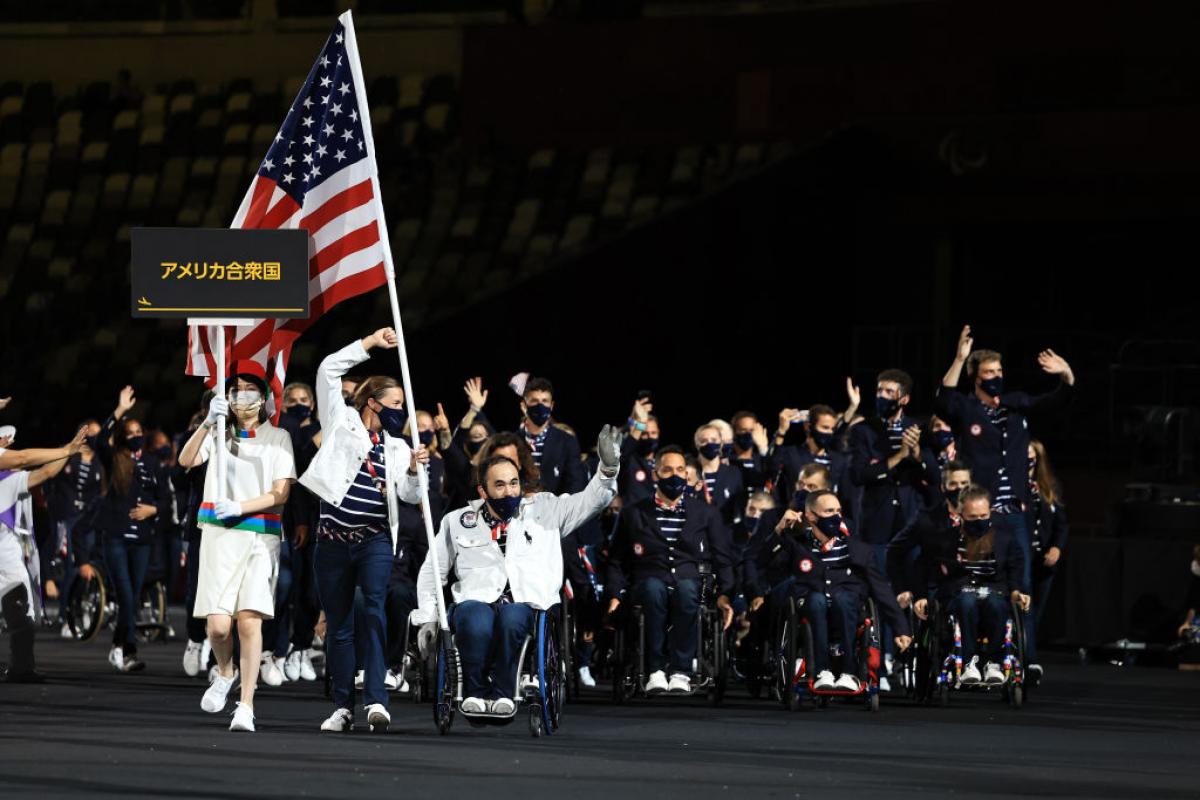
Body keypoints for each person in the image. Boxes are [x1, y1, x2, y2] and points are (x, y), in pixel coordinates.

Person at [412, 425, 622, 717]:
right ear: (483, 490)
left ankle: (502, 693)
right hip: (476, 598)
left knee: (511, 619)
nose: (509, 491)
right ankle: (474, 693)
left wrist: (608, 469)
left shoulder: (546, 509)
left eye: (513, 483)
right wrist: (430, 616)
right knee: (474, 619)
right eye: (499, 485)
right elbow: (432, 570)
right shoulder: (457, 520)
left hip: (525, 601)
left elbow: (591, 501)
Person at [296, 328, 428, 734]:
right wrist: (369, 343)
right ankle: (342, 707)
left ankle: (376, 701)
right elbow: (327, 368)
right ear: (372, 402)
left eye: (402, 406)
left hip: (374, 539)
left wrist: (411, 469)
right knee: (339, 625)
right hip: (333, 541)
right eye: (394, 404)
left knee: (373, 612)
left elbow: (409, 495)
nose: (399, 412)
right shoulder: (342, 420)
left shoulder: (399, 446)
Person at [178, 362, 296, 732]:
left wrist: (242, 506)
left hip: (260, 536)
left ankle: (246, 704)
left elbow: (281, 492)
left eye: (248, 389)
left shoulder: (278, 437)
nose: (240, 395)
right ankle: (224, 672)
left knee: (248, 622)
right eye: (235, 390)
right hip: (218, 536)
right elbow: (185, 461)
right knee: (217, 628)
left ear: (262, 399)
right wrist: (206, 424)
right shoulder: (217, 434)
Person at [934, 324, 1074, 599]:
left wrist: (1066, 375)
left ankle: (1022, 642)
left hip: (1016, 514)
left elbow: (1054, 402)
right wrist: (960, 359)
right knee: (979, 584)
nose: (996, 377)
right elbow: (943, 401)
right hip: (982, 514)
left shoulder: (1015, 404)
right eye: (989, 372)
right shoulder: (966, 408)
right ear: (976, 377)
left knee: (1021, 588)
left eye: (999, 371)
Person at [746, 489, 911, 692]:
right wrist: (779, 530)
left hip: (848, 607)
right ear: (811, 516)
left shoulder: (858, 549)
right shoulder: (797, 545)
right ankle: (820, 671)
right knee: (817, 600)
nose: (836, 516)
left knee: (842, 599)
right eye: (829, 511)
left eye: (838, 510)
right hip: (809, 605)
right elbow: (761, 561)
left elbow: (881, 589)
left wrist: (900, 628)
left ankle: (850, 672)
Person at [605, 445, 735, 695]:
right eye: (667, 470)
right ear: (655, 475)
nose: (674, 475)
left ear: (687, 475)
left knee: (687, 590)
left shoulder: (705, 513)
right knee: (654, 590)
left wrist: (726, 594)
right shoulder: (634, 513)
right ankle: (654, 669)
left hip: (690, 579)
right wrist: (613, 594)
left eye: (679, 470)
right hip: (648, 579)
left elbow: (723, 557)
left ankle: (680, 671)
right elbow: (616, 560)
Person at [906, 485, 1029, 686]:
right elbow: (922, 565)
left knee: (997, 605)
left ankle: (994, 663)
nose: (979, 521)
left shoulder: (1005, 539)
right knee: (967, 601)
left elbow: (1015, 566)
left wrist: (1017, 592)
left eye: (983, 515)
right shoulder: (945, 540)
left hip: (994, 590)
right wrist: (920, 596)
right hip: (958, 592)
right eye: (973, 517)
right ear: (960, 514)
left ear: (990, 512)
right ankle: (969, 662)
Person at [93, 386, 171, 674]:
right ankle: (127, 650)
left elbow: (165, 499)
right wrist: (120, 410)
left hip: (142, 539)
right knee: (125, 594)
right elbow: (100, 439)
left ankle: (118, 647)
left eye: (139, 430)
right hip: (115, 536)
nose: (136, 435)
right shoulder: (114, 459)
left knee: (134, 596)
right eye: (130, 431)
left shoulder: (153, 463)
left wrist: (154, 510)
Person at [1, 428, 85, 682]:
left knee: (20, 610)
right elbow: (26, 459)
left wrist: (66, 451)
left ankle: (22, 667)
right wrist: (66, 451)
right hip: (6, 553)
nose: (9, 443)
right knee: (20, 609)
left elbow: (41, 470)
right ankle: (21, 667)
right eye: (5, 439)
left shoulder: (10, 480)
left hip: (7, 551)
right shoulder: (9, 474)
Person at [1024, 439, 1067, 684]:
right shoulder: (1015, 484)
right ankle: (1028, 659)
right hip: (1023, 558)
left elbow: (1062, 523)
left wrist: (1057, 548)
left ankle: (1027, 651)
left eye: (1033, 457)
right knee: (1025, 608)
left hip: (1044, 558)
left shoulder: (1050, 486)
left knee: (1037, 610)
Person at [694, 423, 744, 526]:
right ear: (697, 445)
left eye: (714, 440)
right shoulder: (692, 473)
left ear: (721, 443)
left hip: (727, 534)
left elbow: (740, 507)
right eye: (704, 441)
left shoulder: (734, 473)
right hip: (699, 535)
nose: (709, 444)